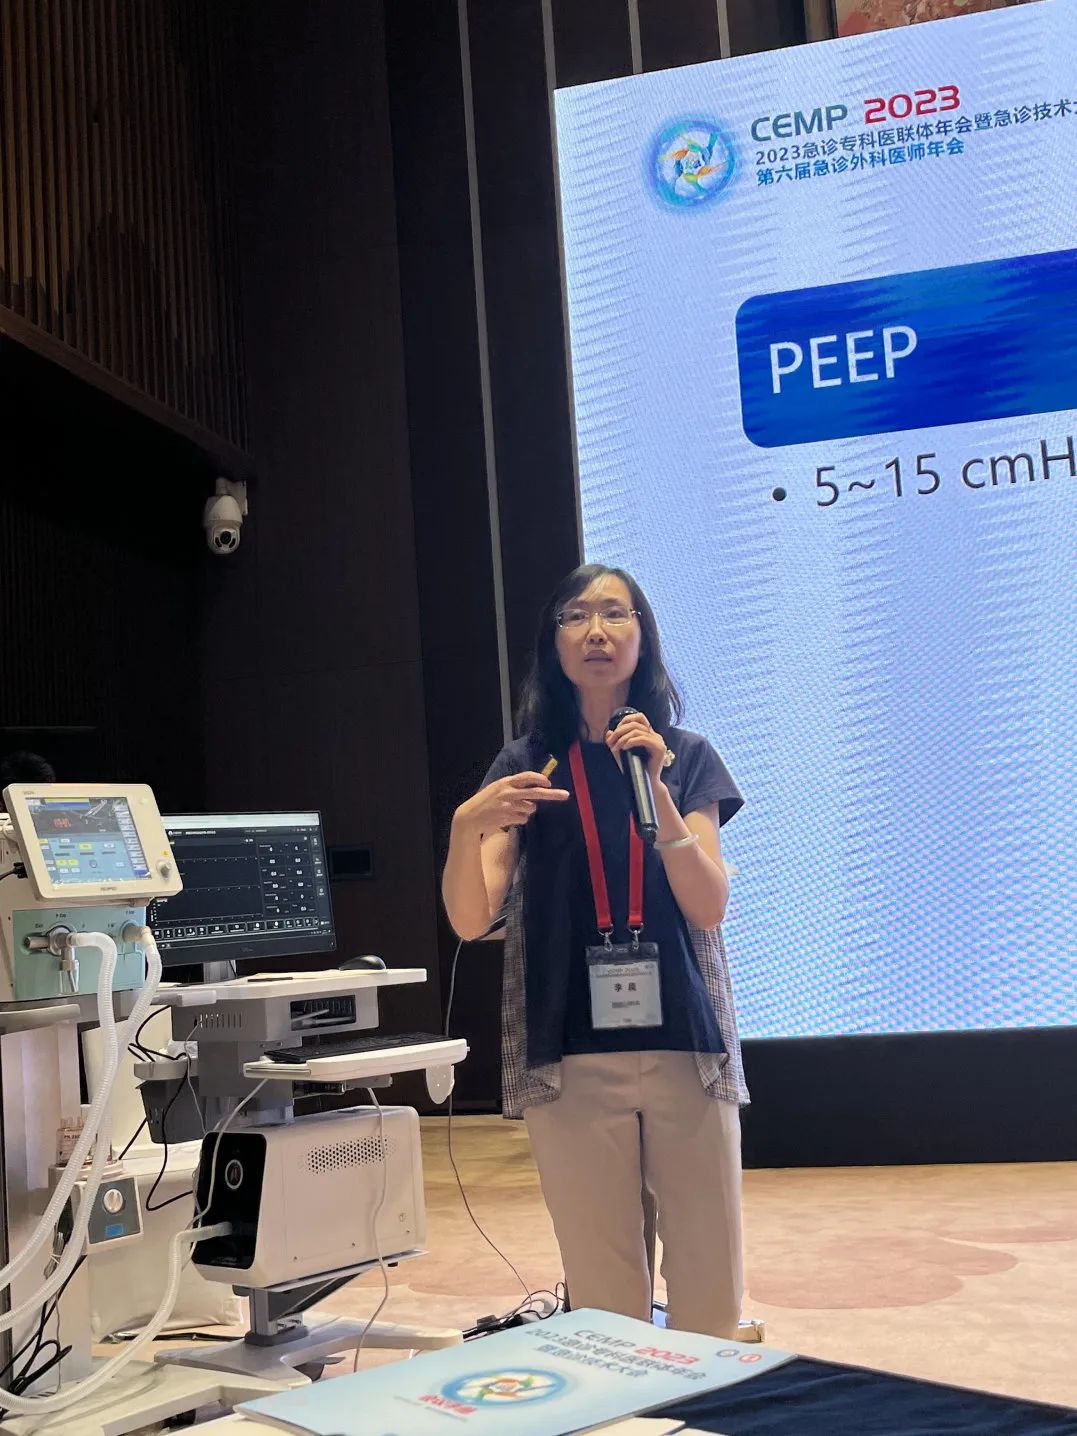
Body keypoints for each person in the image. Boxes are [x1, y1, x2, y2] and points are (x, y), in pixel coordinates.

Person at [442, 563, 748, 1338]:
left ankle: (705, 1395)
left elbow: (707, 905)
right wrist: (465, 827)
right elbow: (470, 919)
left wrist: (658, 789)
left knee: (711, 1285)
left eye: (615, 614)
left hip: (686, 1045)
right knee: (604, 1294)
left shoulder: (683, 756)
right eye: (576, 616)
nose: (596, 632)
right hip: (569, 1049)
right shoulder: (526, 767)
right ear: (554, 643)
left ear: (643, 637)